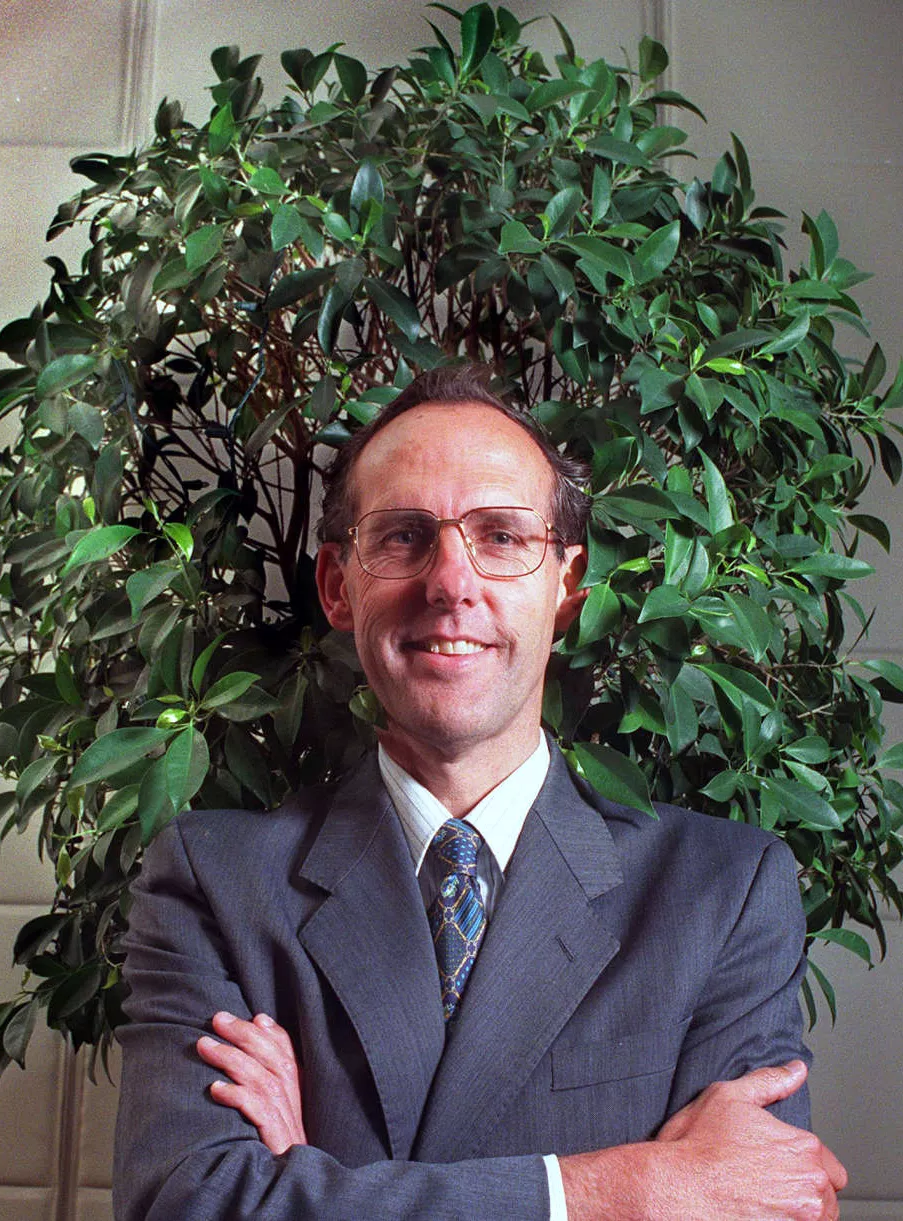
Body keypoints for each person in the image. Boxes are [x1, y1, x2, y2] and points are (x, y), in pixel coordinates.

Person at [113, 365, 847, 1220]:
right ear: (337, 586)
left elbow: (759, 1206)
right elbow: (188, 1207)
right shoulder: (214, 882)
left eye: (500, 536)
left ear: (566, 585)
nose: (450, 583)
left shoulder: (722, 891)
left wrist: (307, 1182)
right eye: (401, 536)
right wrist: (616, 1188)